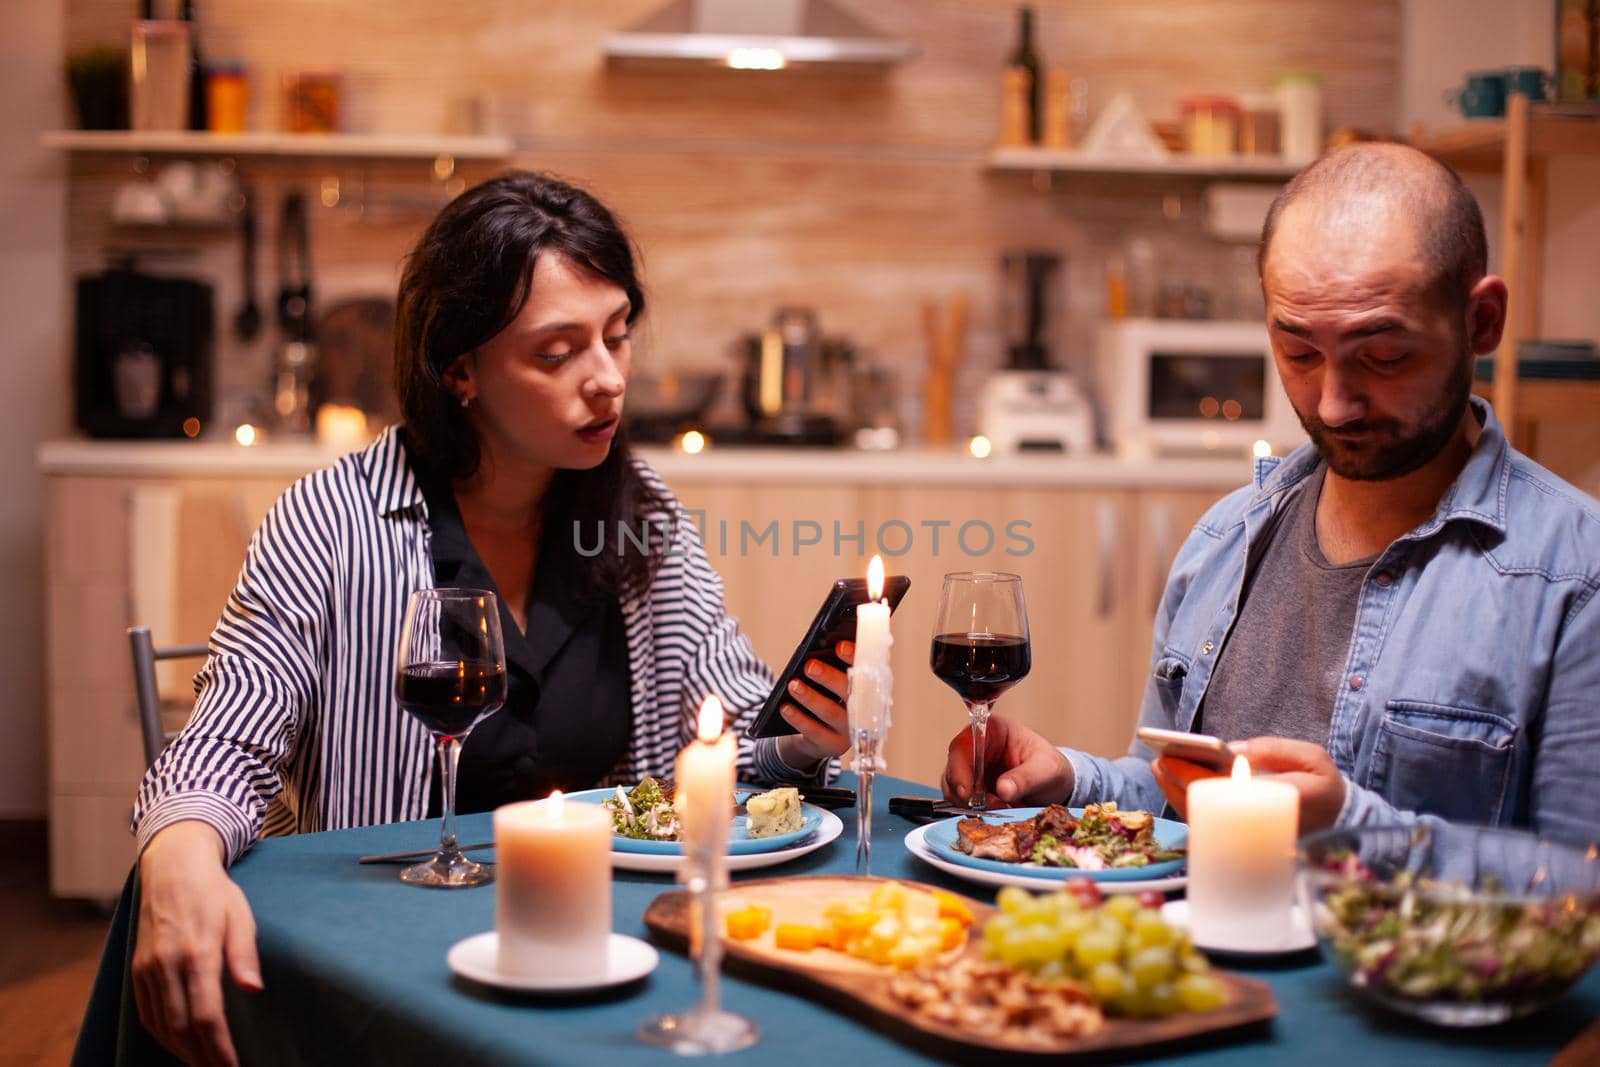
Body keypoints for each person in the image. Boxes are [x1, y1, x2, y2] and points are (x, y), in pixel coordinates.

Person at [128, 171, 854, 1066]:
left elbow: (732, 719)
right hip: (392, 966)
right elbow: (225, 745)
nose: (608, 382)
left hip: (606, 954)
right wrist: (175, 858)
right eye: (558, 353)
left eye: (617, 337)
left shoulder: (642, 517)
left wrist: (808, 730)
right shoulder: (331, 521)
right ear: (458, 367)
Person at [941, 143, 1600, 849]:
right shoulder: (1226, 538)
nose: (1336, 403)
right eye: (1300, 352)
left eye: (1383, 355)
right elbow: (1177, 798)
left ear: (1482, 321)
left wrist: (1352, 828)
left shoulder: (1574, 578)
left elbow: (1583, 884)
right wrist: (1076, 780)